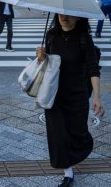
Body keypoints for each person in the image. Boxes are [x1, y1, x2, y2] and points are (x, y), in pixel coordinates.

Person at [36, 14, 104, 187]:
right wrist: (41, 57)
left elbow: (93, 69)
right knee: (57, 134)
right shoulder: (51, 35)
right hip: (54, 94)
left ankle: (80, 149)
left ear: (79, 18)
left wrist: (97, 96)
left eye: (69, 14)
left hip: (77, 94)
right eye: (60, 13)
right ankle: (68, 172)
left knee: (77, 132)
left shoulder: (84, 39)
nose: (64, 17)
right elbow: (48, 64)